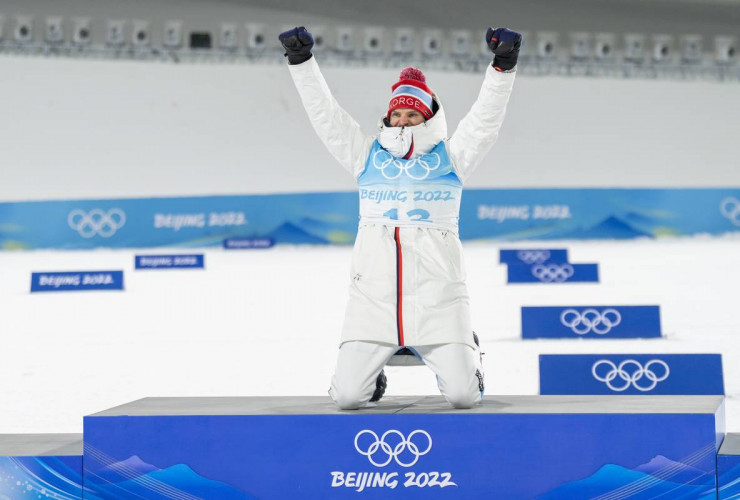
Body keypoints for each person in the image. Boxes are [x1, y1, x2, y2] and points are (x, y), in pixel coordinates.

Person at [279, 25, 521, 409]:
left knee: (462, 397)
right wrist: (301, 62)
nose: (404, 121)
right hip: (373, 299)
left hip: (439, 299)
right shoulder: (366, 157)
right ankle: (373, 376)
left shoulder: (452, 159)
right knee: (346, 398)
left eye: (413, 114)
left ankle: (467, 355)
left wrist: (502, 65)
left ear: (427, 116)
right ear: (388, 118)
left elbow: (485, 120)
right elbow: (326, 117)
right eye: (399, 114)